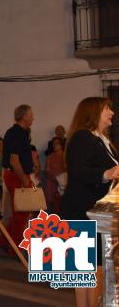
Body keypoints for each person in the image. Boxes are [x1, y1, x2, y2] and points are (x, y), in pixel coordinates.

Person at [61, 97, 119, 307]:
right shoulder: (83, 137)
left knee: (90, 270)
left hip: (95, 211)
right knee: (90, 270)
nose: (111, 112)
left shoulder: (102, 140)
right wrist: (108, 173)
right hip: (82, 210)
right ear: (93, 112)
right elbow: (78, 171)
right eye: (107, 109)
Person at [0, 104, 35, 253]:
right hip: (16, 175)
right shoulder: (16, 133)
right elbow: (14, 160)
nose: (33, 117)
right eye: (31, 114)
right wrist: (24, 179)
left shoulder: (21, 132)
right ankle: (16, 249)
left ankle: (5, 242)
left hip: (18, 175)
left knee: (20, 212)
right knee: (21, 212)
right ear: (24, 116)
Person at [44, 136, 66, 214]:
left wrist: (60, 179)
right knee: (51, 206)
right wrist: (54, 178)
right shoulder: (49, 157)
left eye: (57, 143)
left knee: (63, 205)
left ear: (61, 145)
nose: (55, 145)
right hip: (52, 183)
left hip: (63, 183)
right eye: (53, 144)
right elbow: (47, 171)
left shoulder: (65, 155)